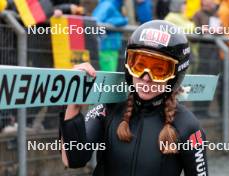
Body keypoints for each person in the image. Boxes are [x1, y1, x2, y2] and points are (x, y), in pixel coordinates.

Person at [60, 20, 208, 176]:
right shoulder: (108, 109)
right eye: (139, 65)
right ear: (128, 65)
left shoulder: (188, 126)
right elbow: (74, 159)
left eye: (159, 70)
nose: (146, 78)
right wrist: (73, 103)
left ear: (175, 75)